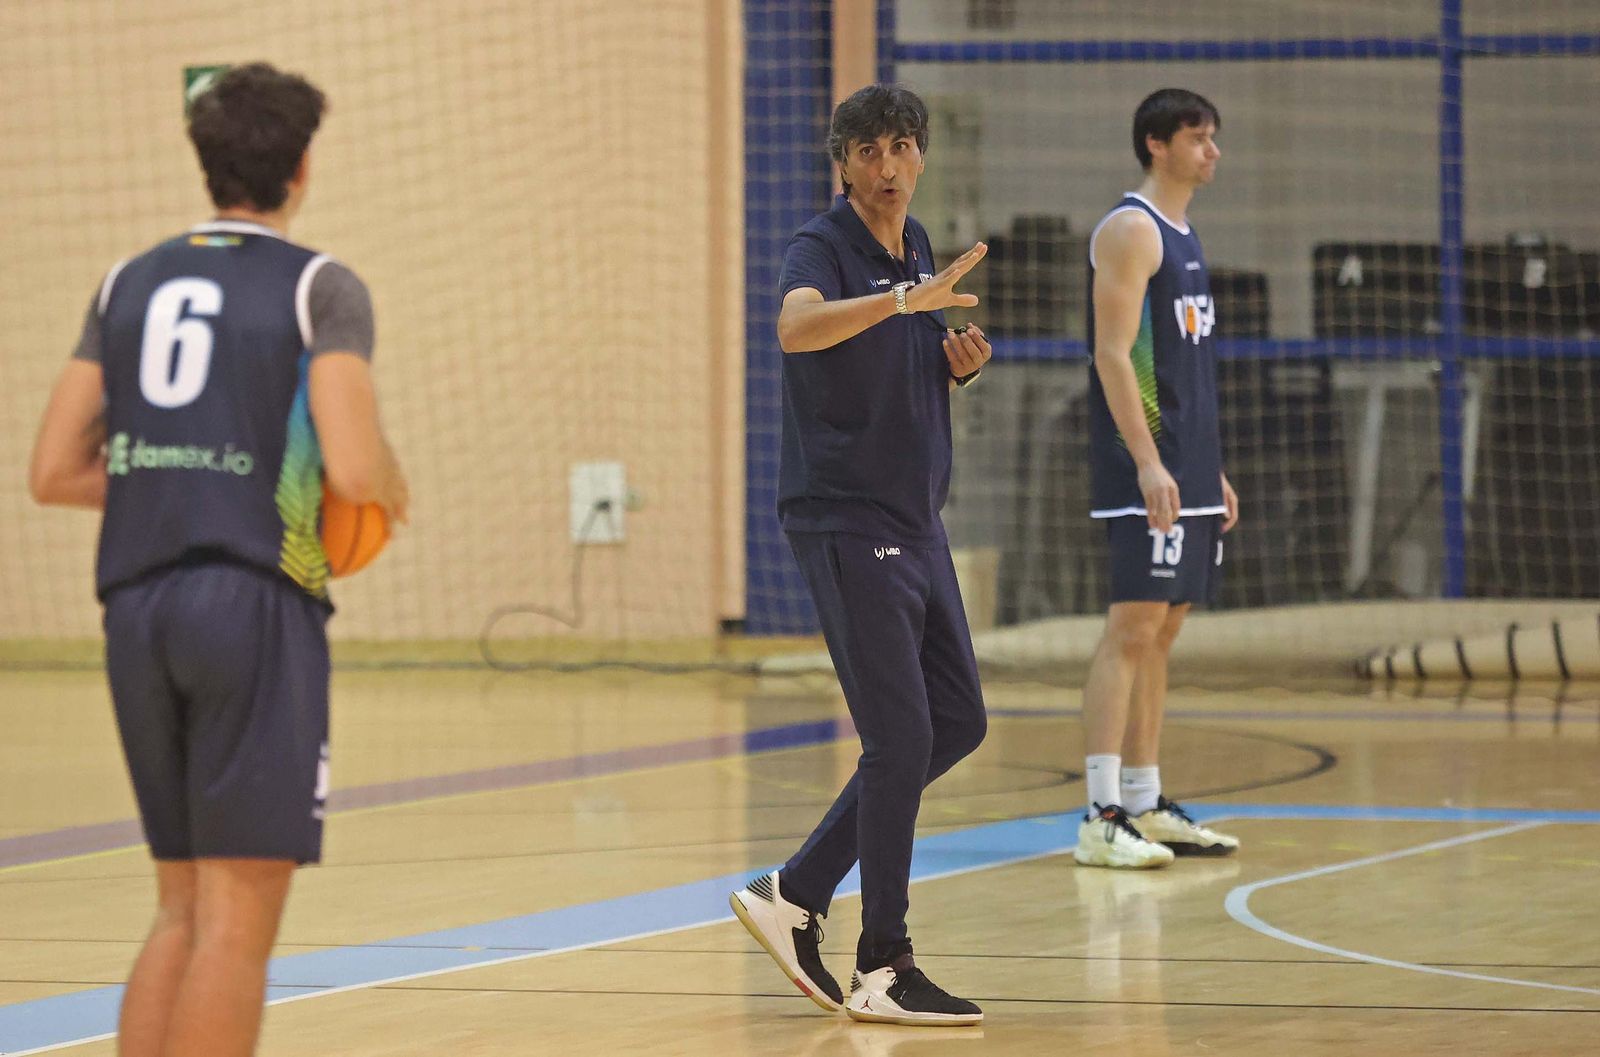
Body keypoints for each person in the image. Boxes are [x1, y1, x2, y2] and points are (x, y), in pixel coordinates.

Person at [28, 62, 408, 1057]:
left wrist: (181, 479)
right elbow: (357, 465)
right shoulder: (320, 285)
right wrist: (389, 488)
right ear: (303, 168)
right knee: (238, 922)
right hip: (250, 604)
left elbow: (50, 468)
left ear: (206, 164)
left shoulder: (124, 281)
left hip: (138, 607)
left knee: (181, 907)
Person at [729, 84, 991, 1026]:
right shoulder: (822, 246)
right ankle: (884, 961)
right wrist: (897, 301)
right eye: (869, 150)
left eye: (903, 147)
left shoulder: (917, 247)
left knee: (956, 719)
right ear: (842, 162)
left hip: (917, 520)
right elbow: (799, 327)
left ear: (921, 156)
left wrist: (946, 357)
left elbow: (890, 365)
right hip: (847, 520)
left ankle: (795, 889)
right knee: (900, 736)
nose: (887, 167)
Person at [1075, 88, 1242, 870]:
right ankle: (1100, 810)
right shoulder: (1131, 231)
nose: (1212, 151)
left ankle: (1144, 797)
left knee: (1165, 629)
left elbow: (1180, 368)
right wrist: (1147, 460)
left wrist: (1210, 471)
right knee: (1132, 625)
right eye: (1197, 138)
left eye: (1212, 138)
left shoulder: (1185, 233)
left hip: (1188, 465)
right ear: (1156, 144)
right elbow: (1114, 355)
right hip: (1144, 463)